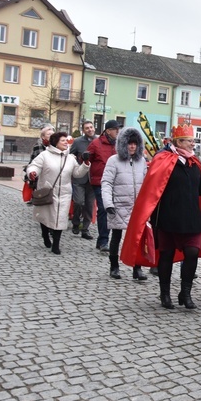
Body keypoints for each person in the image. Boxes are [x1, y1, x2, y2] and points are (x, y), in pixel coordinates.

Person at [121, 123, 201, 309]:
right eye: (190, 141)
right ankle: (165, 293)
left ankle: (185, 293)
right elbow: (153, 189)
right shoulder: (163, 160)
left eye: (194, 141)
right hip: (168, 218)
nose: (193, 144)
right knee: (166, 255)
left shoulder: (194, 163)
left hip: (191, 218)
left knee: (192, 253)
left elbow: (200, 187)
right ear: (179, 142)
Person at [26, 132, 90, 255]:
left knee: (60, 218)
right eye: (63, 140)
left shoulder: (70, 158)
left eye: (66, 140)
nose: (66, 142)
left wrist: (85, 165)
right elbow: (34, 166)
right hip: (47, 191)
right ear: (55, 142)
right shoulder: (44, 155)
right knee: (45, 216)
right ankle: (45, 234)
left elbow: (77, 173)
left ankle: (56, 244)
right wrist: (32, 173)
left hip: (64, 193)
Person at [101, 127, 148, 281]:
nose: (132, 146)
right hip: (119, 205)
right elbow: (106, 182)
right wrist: (108, 203)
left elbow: (147, 183)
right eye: (129, 143)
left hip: (137, 207)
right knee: (116, 236)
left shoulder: (141, 161)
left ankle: (137, 267)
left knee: (138, 239)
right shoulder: (113, 161)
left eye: (135, 143)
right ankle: (114, 266)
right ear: (123, 144)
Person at [88, 120, 122, 252]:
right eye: (115, 129)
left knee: (113, 210)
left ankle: (108, 239)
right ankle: (103, 240)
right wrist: (84, 158)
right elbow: (85, 159)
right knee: (103, 209)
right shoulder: (96, 144)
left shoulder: (120, 144)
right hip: (100, 182)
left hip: (116, 182)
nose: (118, 132)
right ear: (108, 131)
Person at [70, 120, 96, 240]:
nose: (90, 129)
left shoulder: (98, 141)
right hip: (79, 178)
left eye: (91, 127)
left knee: (89, 206)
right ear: (83, 130)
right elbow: (70, 156)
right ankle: (76, 223)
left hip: (93, 179)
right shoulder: (78, 141)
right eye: (87, 128)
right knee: (79, 202)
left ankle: (85, 229)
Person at [23, 124, 55, 203]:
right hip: (40, 173)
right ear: (43, 137)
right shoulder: (39, 146)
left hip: (52, 173)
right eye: (49, 134)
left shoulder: (56, 146)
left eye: (53, 134)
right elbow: (37, 161)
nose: (51, 136)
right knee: (42, 193)